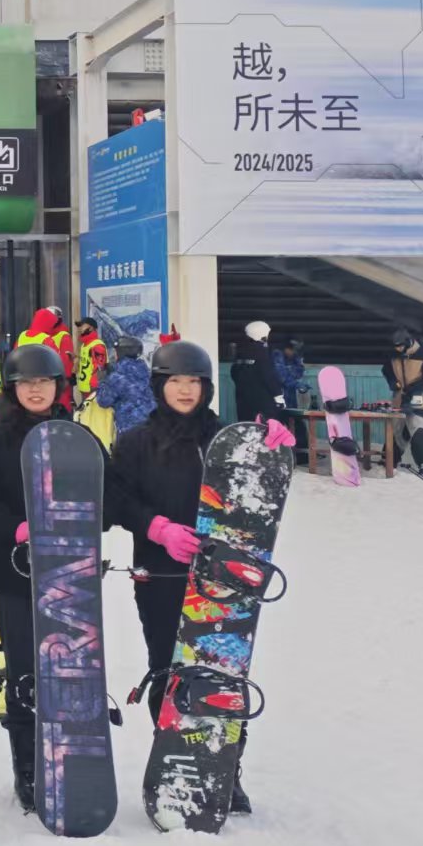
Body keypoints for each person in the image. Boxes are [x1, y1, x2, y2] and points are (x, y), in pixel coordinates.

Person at [106, 339, 296, 815]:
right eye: (175, 381)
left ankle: (225, 769)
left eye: (194, 381)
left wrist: (268, 445)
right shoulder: (135, 442)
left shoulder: (226, 438)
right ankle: (175, 762)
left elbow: (254, 490)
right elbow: (116, 500)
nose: (185, 390)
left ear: (207, 388)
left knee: (223, 672)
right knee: (169, 671)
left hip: (223, 579)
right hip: (162, 573)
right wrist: (157, 528)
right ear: (159, 385)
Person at [0, 342, 78, 811]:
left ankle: (71, 756)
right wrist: (18, 528)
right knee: (25, 670)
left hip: (71, 572)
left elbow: (105, 492)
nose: (36, 390)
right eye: (26, 383)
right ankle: (29, 766)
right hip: (14, 571)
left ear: (58, 386)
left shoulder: (76, 436)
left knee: (69, 668)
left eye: (44, 381)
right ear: (13, 388)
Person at [385, 329, 423, 476]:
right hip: (401, 397)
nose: (398, 349)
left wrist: (413, 389)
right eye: (396, 347)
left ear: (409, 342)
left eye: (401, 346)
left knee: (418, 426)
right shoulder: (394, 354)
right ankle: (390, 459)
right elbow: (386, 369)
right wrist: (393, 383)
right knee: (397, 428)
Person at [230, 320, 287, 428]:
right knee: (265, 430)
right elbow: (268, 375)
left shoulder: (240, 352)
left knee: (247, 429)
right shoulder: (262, 351)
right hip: (263, 402)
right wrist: (278, 395)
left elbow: (234, 373)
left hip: (243, 400)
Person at [18, 306, 77, 409]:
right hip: (45, 380)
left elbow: (15, 357)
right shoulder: (46, 339)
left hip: (26, 379)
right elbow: (58, 361)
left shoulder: (22, 336)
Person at [97, 336, 155, 436]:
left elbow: (103, 401)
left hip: (129, 432)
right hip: (151, 429)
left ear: (121, 353)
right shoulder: (147, 373)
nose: (114, 355)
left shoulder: (118, 378)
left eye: (115, 351)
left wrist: (102, 380)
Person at [74, 318, 109, 404]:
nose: (80, 328)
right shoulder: (84, 345)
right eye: (79, 326)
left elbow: (100, 368)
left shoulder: (97, 345)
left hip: (92, 390)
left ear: (91, 328)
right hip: (84, 389)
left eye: (82, 325)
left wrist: (94, 387)